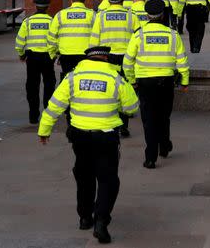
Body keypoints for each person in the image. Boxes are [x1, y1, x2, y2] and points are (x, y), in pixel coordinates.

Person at [38, 45, 140, 244]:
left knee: (84, 175)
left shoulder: (72, 78)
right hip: (106, 138)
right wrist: (117, 105)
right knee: (108, 179)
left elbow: (54, 106)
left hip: (80, 137)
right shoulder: (115, 79)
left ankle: (85, 217)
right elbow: (132, 107)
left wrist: (44, 130)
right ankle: (101, 221)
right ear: (106, 59)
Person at [123, 0, 189, 169]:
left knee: (149, 120)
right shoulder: (172, 35)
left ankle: (150, 157)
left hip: (145, 83)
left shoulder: (139, 35)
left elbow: (128, 62)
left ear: (146, 16)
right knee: (164, 116)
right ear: (162, 15)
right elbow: (182, 61)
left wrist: (131, 81)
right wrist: (185, 81)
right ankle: (165, 146)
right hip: (166, 82)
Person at [90, 0, 140, 137]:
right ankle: (123, 126)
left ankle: (108, 124)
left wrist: (92, 59)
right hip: (126, 58)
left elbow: (94, 40)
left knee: (107, 90)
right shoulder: (131, 16)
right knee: (123, 91)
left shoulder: (101, 16)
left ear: (108, 0)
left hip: (106, 58)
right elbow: (139, 38)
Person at [15, 0, 57, 124]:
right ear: (48, 7)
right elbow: (56, 40)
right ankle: (48, 113)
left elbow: (20, 41)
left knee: (32, 86)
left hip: (32, 58)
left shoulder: (28, 21)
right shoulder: (52, 21)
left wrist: (21, 54)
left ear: (35, 6)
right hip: (47, 57)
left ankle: (33, 115)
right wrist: (54, 55)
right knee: (49, 85)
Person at [49, 0, 95, 78]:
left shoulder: (60, 14)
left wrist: (53, 54)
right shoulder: (92, 15)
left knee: (68, 79)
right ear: (84, 0)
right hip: (86, 54)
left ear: (71, 0)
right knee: (83, 79)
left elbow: (52, 36)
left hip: (66, 54)